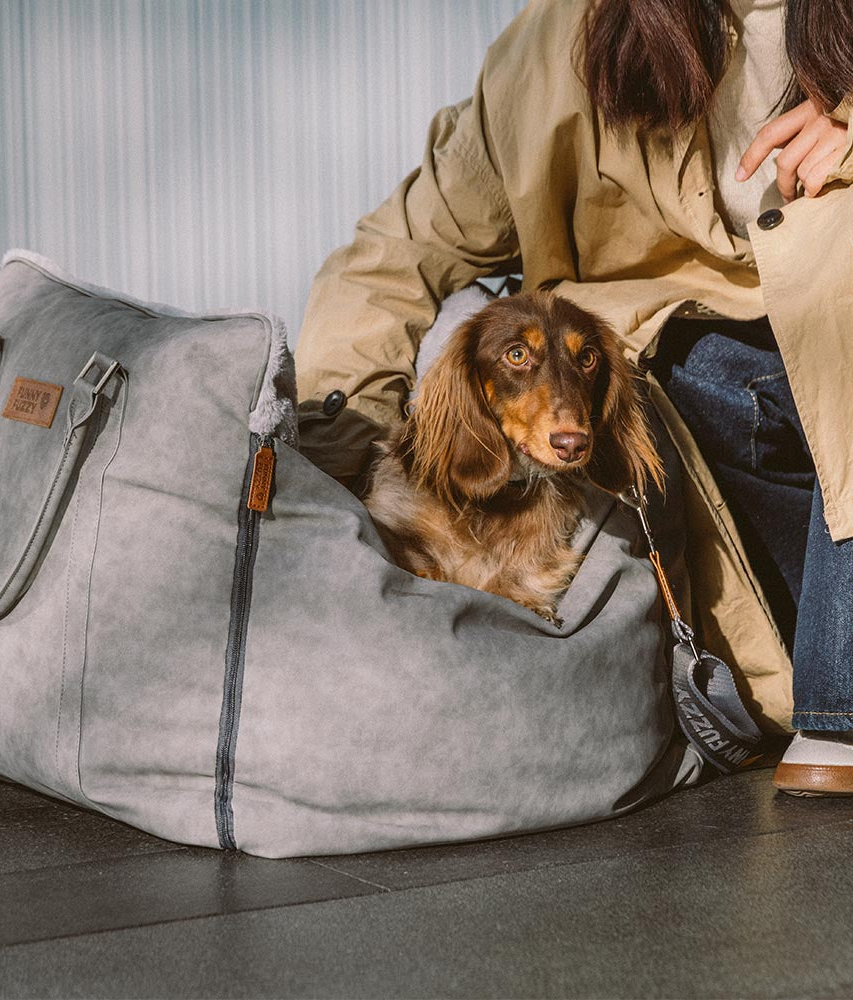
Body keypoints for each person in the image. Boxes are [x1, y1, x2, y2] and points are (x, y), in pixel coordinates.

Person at [294, 0, 853, 794]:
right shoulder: (560, 44)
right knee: (692, 379)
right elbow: (393, 256)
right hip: (692, 398)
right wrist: (343, 457)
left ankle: (836, 709)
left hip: (834, 354)